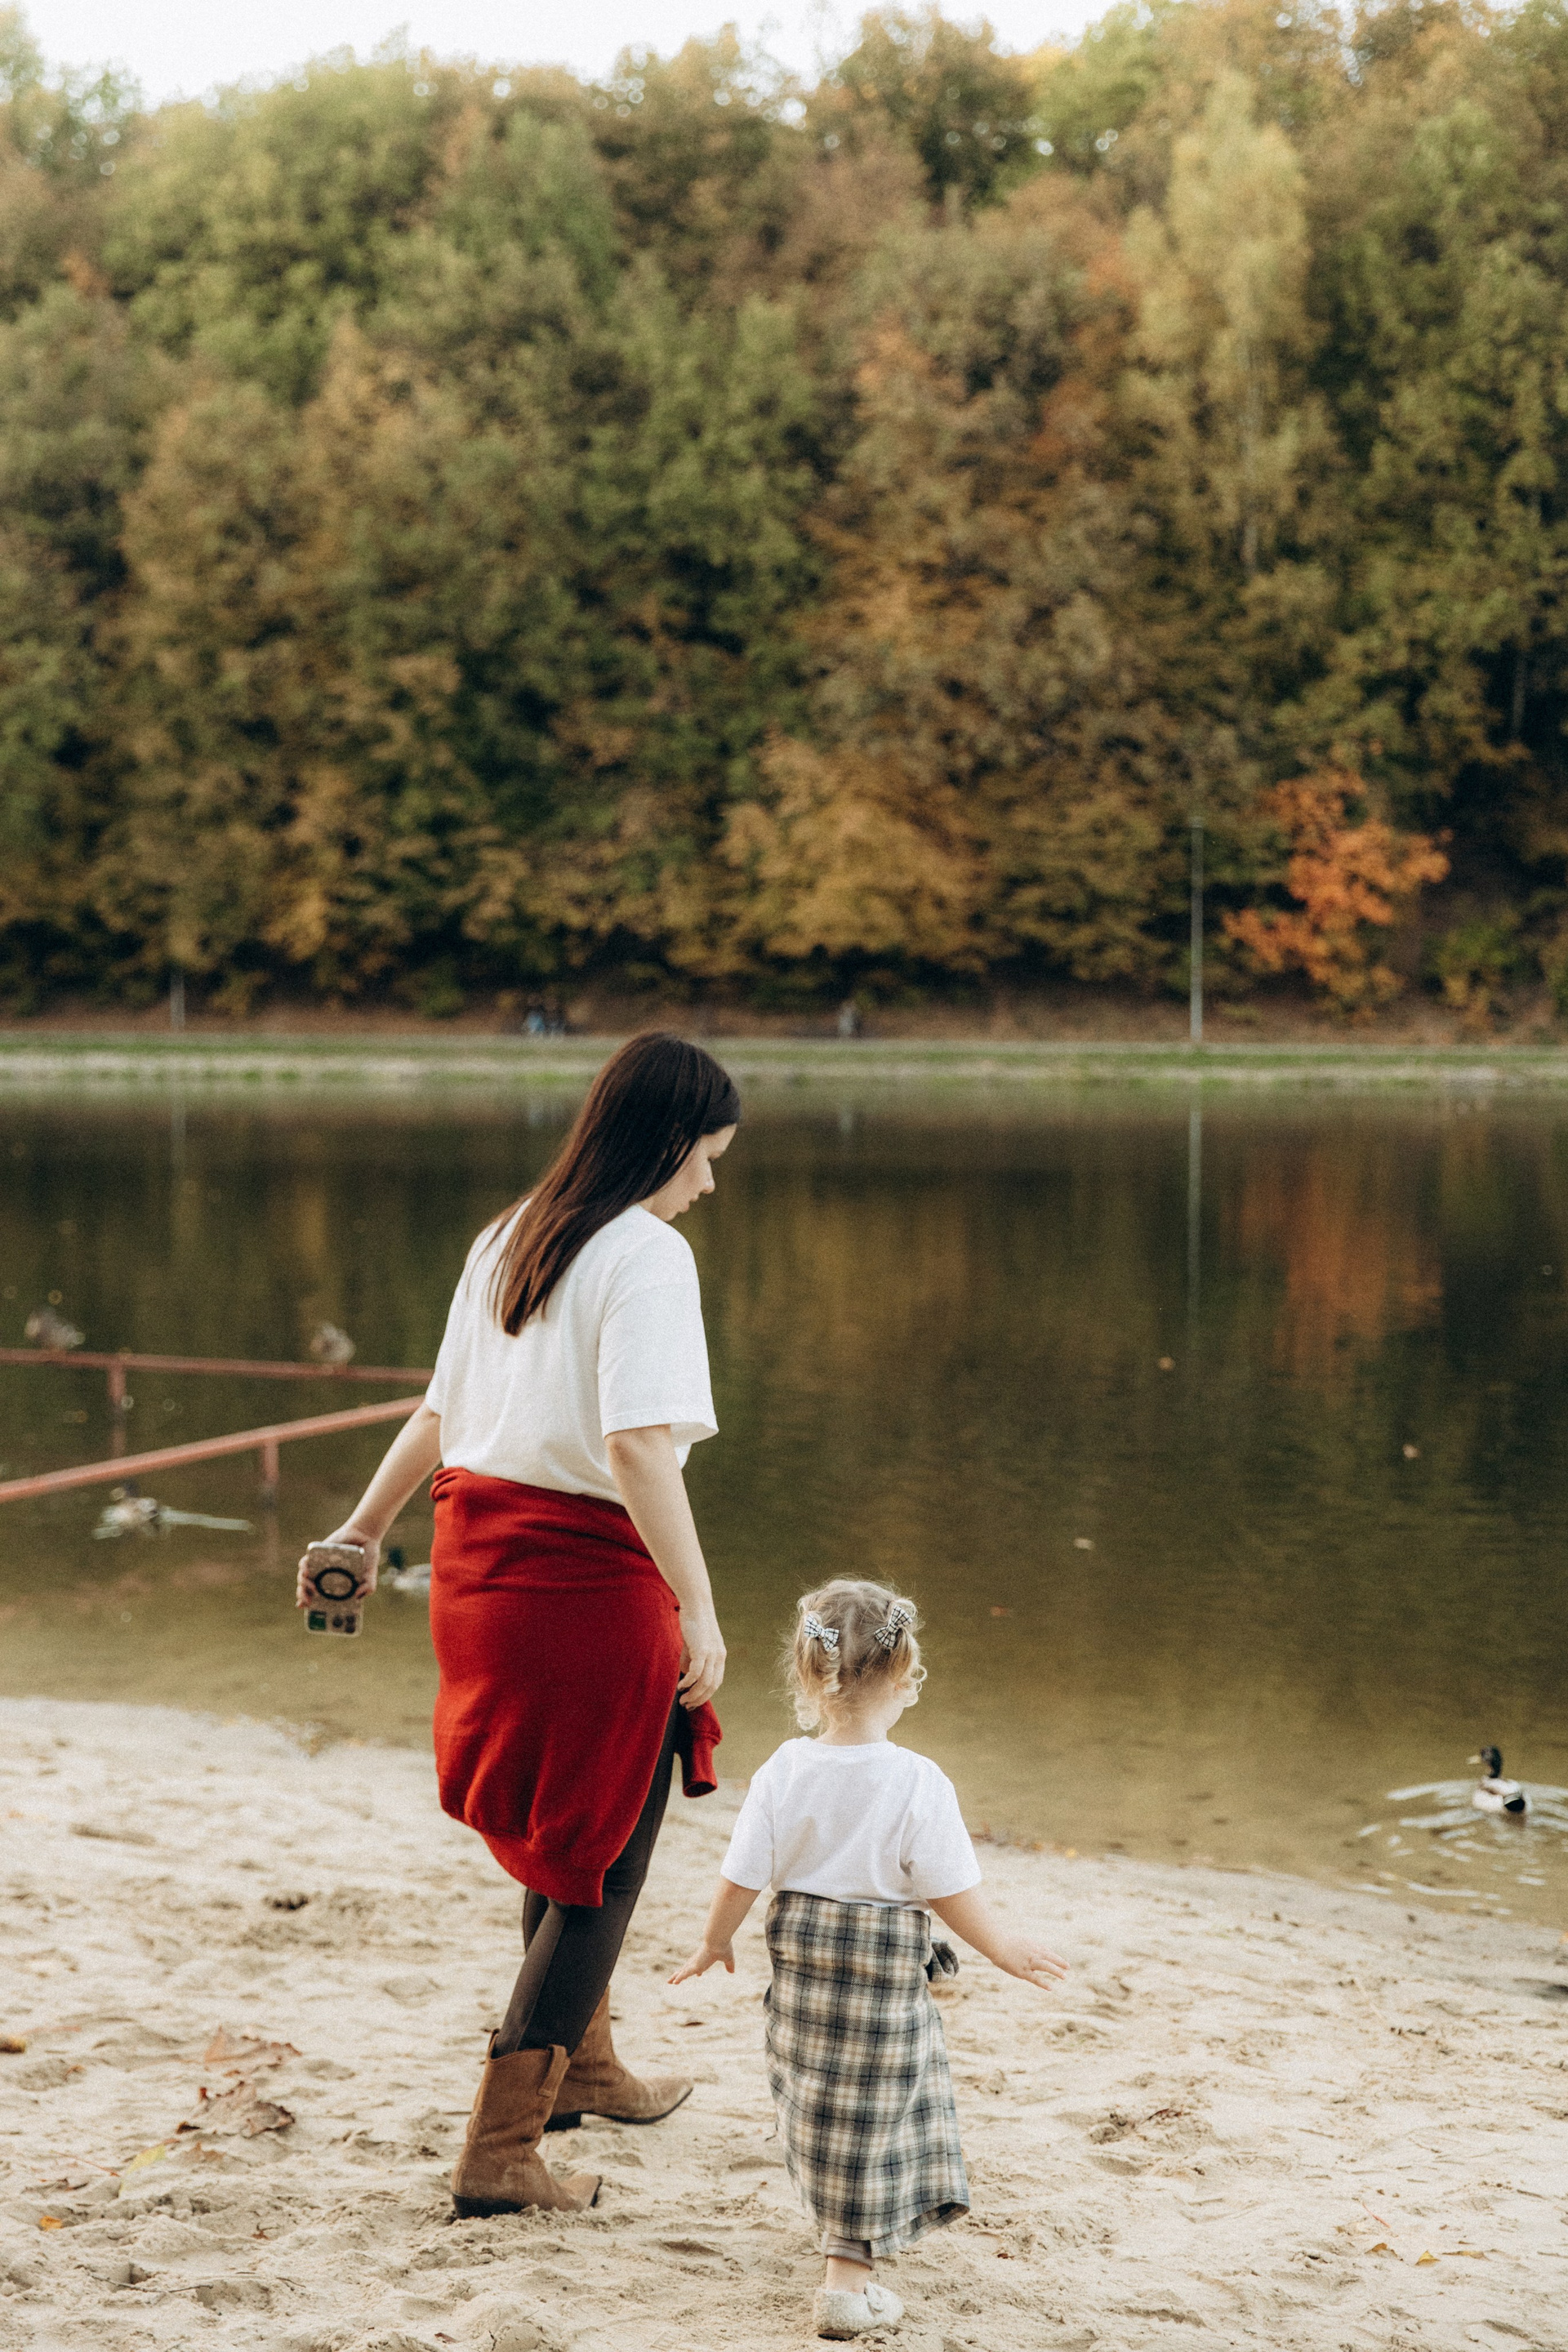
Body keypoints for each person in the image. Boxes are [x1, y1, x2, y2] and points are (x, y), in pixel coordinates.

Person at [299, 1031, 740, 2219]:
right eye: (708, 1155)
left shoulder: (512, 1234)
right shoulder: (645, 1254)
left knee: (563, 1828)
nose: (710, 1182)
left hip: (479, 1577)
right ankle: (500, 2153)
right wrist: (699, 1606)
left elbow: (440, 1411)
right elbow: (638, 1447)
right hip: (584, 1587)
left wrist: (359, 1529)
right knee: (603, 1860)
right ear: (667, 1141)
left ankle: (584, 2068)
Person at [671, 1579, 1069, 2343]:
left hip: (805, 1970)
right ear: (904, 1673)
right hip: (883, 1975)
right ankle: (846, 2285)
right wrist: (1003, 1948)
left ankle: (841, 2245)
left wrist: (715, 1940)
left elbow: (743, 1873)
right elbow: (948, 1890)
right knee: (877, 2109)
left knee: (821, 2103)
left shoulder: (785, 1769)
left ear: (807, 1674)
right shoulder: (917, 1780)